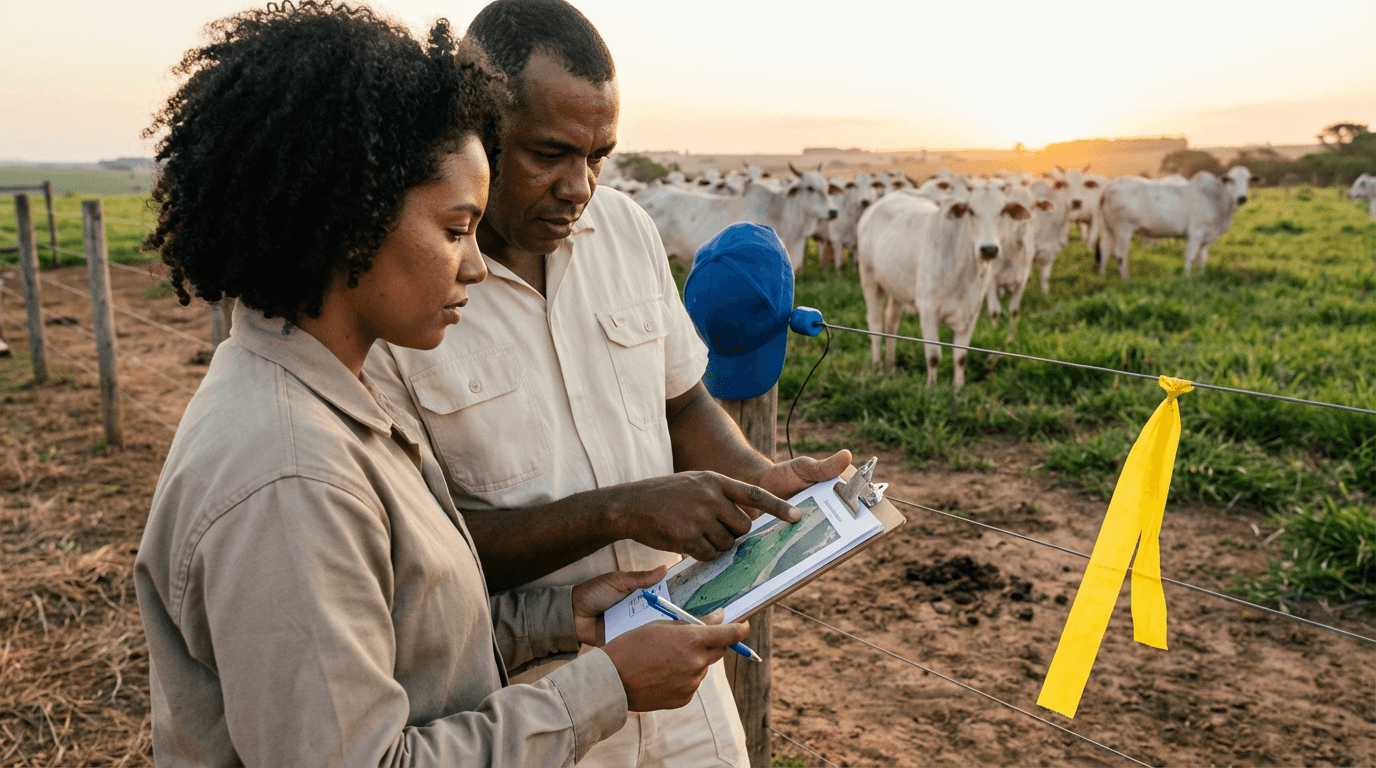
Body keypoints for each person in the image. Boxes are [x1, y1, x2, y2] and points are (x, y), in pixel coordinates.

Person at [133, 4, 749, 765]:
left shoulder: (334, 408)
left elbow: (408, 639)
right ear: (350, 219)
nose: (476, 266)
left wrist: (562, 618)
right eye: (456, 230)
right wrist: (605, 689)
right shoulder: (290, 475)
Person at [363, 0, 853, 764]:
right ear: (475, 126)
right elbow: (427, 556)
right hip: (526, 702)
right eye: (549, 153)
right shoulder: (401, 294)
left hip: (683, 669)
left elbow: (683, 398)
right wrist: (623, 510)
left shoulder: (625, 229)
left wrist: (763, 482)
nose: (579, 186)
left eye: (599, 157)